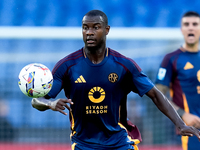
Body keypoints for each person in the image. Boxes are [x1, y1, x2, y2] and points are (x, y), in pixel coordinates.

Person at [31, 10, 200, 150]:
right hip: (83, 144)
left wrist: (179, 123)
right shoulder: (67, 66)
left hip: (119, 141)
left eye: (95, 27)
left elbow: (155, 94)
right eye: (85, 28)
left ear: (107, 30)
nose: (89, 32)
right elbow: (36, 100)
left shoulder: (123, 65)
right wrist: (50, 104)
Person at [155, 11, 200, 150]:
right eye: (186, 24)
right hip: (190, 131)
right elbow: (158, 95)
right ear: (182, 29)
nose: (191, 28)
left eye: (195, 24)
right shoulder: (171, 59)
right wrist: (182, 114)